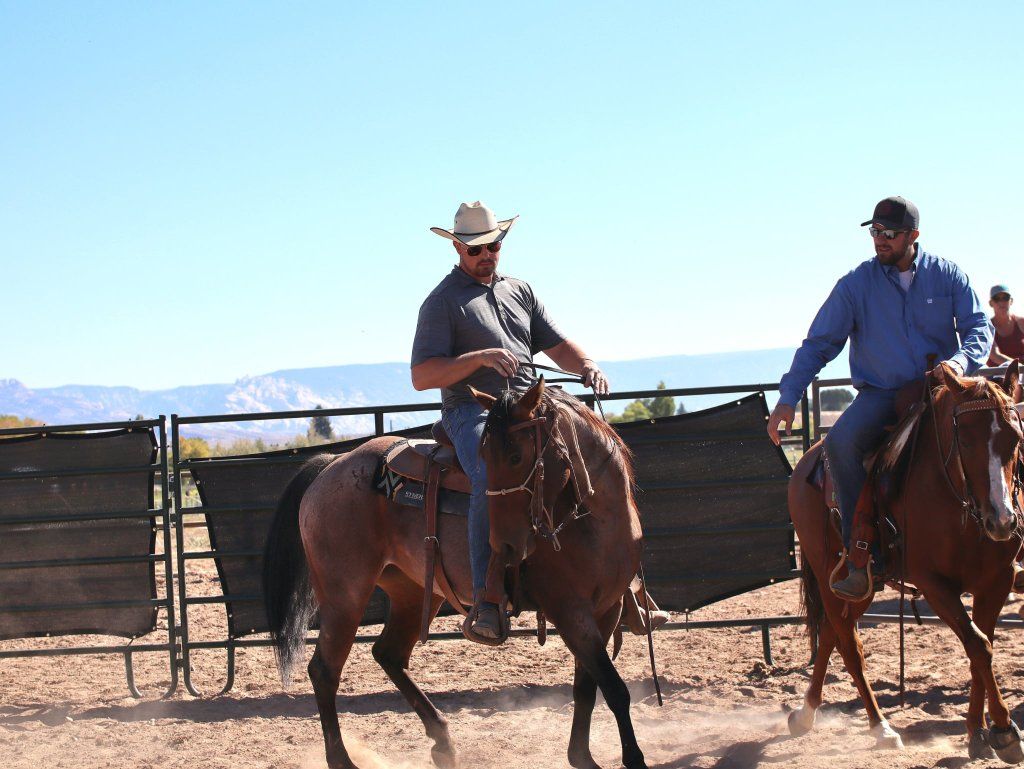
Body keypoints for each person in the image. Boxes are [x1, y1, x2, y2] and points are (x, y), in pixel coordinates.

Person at [411, 201, 668, 641]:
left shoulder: (520, 290)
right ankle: (487, 597)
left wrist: (587, 365)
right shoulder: (441, 303)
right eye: (475, 249)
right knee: (488, 473)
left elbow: (558, 345)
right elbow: (422, 376)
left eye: (493, 246)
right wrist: (479, 358)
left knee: (597, 453)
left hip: (530, 406)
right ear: (456, 248)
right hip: (473, 410)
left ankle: (625, 583)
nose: (486, 255)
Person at [766, 196, 993, 599]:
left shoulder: (947, 275)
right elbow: (819, 344)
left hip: (942, 390)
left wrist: (959, 363)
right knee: (841, 443)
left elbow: (979, 327)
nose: (880, 239)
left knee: (998, 429)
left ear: (913, 235)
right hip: (882, 395)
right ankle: (860, 554)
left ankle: (1009, 538)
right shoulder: (856, 285)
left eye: (889, 233)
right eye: (875, 231)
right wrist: (788, 397)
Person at [987, 285, 1024, 366]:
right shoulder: (987, 327)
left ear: (1011, 301)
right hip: (998, 372)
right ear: (991, 303)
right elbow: (995, 355)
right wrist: (1020, 367)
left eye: (1005, 298)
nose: (1001, 302)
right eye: (997, 299)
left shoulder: (1022, 322)